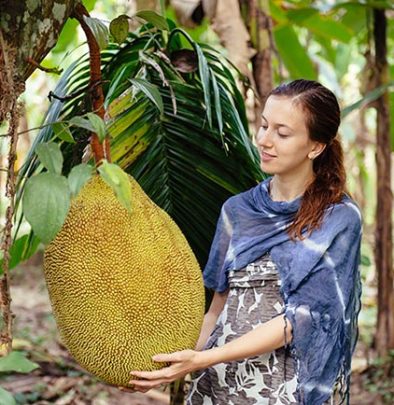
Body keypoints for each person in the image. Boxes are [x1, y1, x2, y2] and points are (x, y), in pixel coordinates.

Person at [122, 79, 363, 405]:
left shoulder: (339, 219)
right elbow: (216, 311)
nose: (264, 140)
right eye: (264, 126)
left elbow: (299, 321)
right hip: (217, 383)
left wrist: (205, 358)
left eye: (282, 133)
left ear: (316, 146)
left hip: (282, 388)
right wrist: (162, 365)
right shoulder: (238, 209)